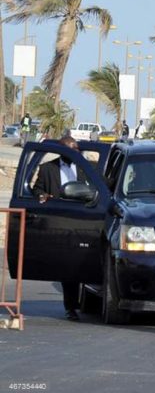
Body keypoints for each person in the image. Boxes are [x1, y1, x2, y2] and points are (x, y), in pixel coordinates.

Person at [32, 136, 85, 321]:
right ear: (62, 151)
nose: (76, 152)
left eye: (77, 149)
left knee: (82, 265)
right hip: (59, 223)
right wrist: (43, 195)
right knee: (67, 267)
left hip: (83, 224)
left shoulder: (86, 168)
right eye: (72, 149)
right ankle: (70, 307)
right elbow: (36, 190)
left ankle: (82, 302)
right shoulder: (48, 169)